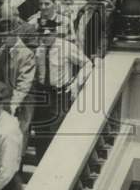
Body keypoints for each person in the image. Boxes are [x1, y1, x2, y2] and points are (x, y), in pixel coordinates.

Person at [31, 30, 93, 163]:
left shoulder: (66, 47)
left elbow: (87, 64)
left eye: (48, 34)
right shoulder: (39, 50)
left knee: (57, 133)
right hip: (42, 95)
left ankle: (57, 165)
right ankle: (42, 166)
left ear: (55, 33)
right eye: (42, 35)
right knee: (40, 133)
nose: (45, 38)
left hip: (60, 95)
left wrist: (76, 83)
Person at [0, 22, 37, 142]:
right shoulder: (3, 50)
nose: (3, 40)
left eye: (6, 37)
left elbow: (24, 83)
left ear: (15, 34)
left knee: (17, 136)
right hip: (5, 100)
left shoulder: (26, 54)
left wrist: (14, 104)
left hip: (22, 102)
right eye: (1, 37)